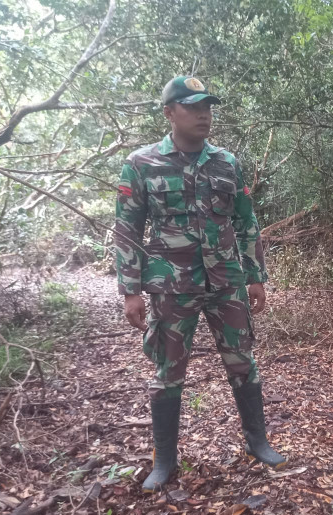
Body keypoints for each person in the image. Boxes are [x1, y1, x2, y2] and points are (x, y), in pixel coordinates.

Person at [114, 76, 287, 492]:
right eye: (193, 107)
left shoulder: (226, 162)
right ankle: (166, 460)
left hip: (226, 281)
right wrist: (131, 290)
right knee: (168, 372)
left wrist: (256, 277)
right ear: (169, 113)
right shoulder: (141, 164)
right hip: (172, 287)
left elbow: (246, 221)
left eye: (207, 106)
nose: (203, 114)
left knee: (242, 361)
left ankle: (258, 442)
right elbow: (126, 228)